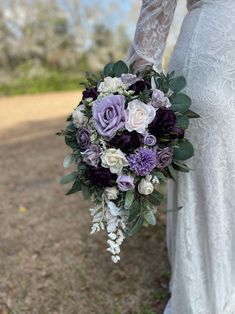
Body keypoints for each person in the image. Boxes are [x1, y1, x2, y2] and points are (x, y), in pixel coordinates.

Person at [126, 1, 235, 313]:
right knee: (212, 184)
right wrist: (132, 110)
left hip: (211, 53)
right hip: (210, 64)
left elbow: (155, 14)